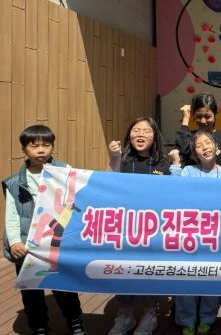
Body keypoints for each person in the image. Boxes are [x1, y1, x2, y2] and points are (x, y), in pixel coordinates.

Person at [3, 125, 87, 335]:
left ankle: (75, 322)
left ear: (52, 147)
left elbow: (76, 200)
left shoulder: (65, 171)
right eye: (34, 146)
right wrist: (14, 242)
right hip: (28, 247)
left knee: (64, 287)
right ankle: (39, 327)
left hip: (58, 243)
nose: (41, 150)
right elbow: (12, 215)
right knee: (31, 292)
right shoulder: (15, 182)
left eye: (46, 145)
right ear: (24, 149)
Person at [169, 129, 221, 335]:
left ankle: (207, 318)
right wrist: (175, 164)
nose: (205, 147)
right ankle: (186, 320)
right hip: (189, 235)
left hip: (216, 237)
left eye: (208, 143)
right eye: (199, 145)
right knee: (186, 278)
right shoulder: (188, 171)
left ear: (216, 147)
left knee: (212, 279)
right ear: (194, 153)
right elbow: (173, 189)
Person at [107, 117, 171, 335]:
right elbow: (110, 182)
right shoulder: (122, 159)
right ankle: (125, 315)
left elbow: (172, 194)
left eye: (146, 131)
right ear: (129, 135)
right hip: (125, 228)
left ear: (155, 136)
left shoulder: (163, 163)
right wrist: (114, 157)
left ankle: (150, 315)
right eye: (136, 130)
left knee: (147, 271)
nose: (141, 134)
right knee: (123, 271)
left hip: (153, 230)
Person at [176, 93, 221, 167]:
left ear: (215, 114)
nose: (203, 121)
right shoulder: (190, 137)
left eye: (207, 117)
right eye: (199, 117)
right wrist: (185, 118)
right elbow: (183, 149)